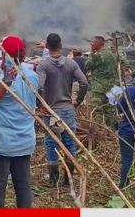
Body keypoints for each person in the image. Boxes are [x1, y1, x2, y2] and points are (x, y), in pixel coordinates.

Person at [0, 36, 38, 208]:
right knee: (23, 184)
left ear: (4, 55)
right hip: (25, 140)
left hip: (3, 143)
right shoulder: (33, 77)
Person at [36, 33, 88, 184]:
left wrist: (40, 105)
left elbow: (38, 86)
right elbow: (84, 83)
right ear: (61, 46)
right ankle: (69, 179)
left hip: (53, 113)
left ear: (47, 46)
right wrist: (78, 101)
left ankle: (54, 180)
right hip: (68, 111)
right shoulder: (71, 64)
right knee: (69, 143)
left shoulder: (43, 65)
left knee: (52, 144)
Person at [85, 35, 126, 128]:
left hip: (98, 88)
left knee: (97, 110)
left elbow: (87, 65)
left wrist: (91, 53)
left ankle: (98, 131)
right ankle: (111, 131)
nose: (91, 44)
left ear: (99, 44)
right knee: (109, 110)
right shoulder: (112, 55)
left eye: (93, 42)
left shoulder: (97, 55)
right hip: (110, 88)